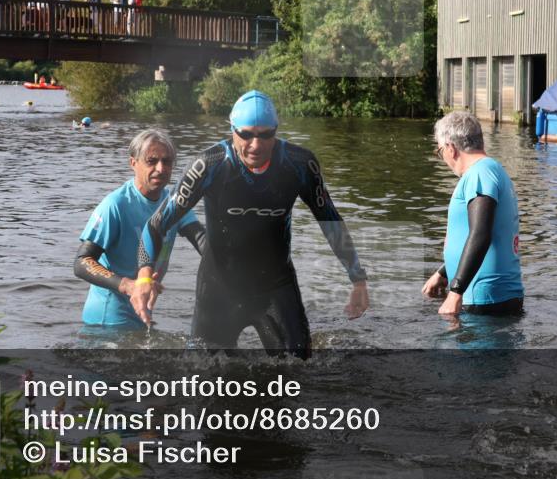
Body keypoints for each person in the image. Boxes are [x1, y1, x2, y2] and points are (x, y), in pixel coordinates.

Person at [135, 90, 369, 358]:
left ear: (276, 132)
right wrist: (143, 276)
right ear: (232, 130)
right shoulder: (209, 165)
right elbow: (156, 224)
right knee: (200, 377)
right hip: (219, 286)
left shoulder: (299, 164)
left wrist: (358, 281)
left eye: (265, 134)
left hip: (275, 285)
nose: (255, 145)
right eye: (246, 134)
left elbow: (330, 221)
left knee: (299, 369)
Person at [75, 129, 205, 328]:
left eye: (167, 161)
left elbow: (202, 241)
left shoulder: (175, 203)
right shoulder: (116, 205)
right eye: (151, 161)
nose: (161, 168)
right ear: (133, 163)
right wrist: (128, 285)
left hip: (141, 315)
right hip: (106, 321)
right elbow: (82, 262)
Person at [422, 111, 524, 316]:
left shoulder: (480, 173)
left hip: (483, 299)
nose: (442, 158)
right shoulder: (490, 170)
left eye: (439, 151)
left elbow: (480, 234)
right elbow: (489, 233)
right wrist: (444, 272)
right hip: (490, 296)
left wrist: (455, 291)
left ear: (451, 148)